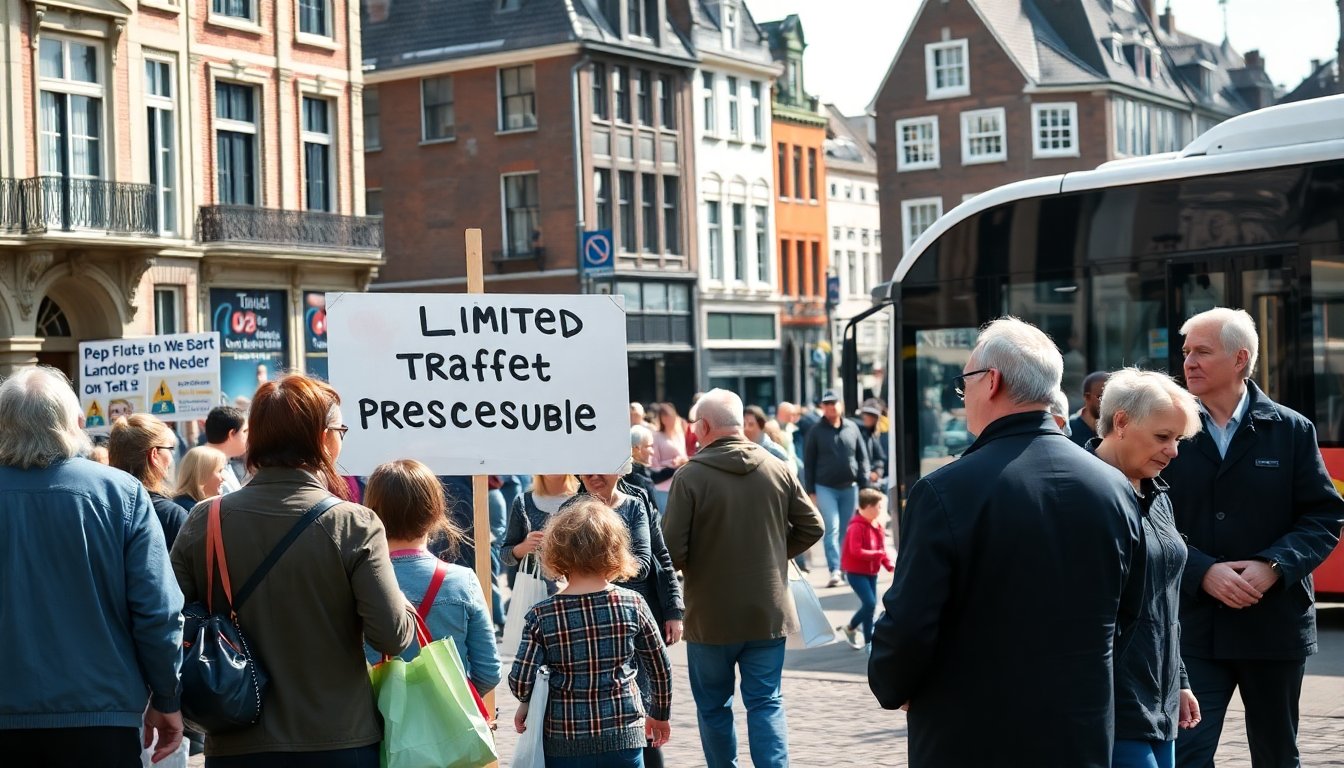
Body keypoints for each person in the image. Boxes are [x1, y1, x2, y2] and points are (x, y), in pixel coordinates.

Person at [868, 317, 1142, 767]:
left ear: (991, 381)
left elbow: (911, 622)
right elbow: (1128, 611)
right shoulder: (1113, 486)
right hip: (1080, 728)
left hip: (971, 731)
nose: (963, 396)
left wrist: (893, 684)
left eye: (965, 383)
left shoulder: (945, 491)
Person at [170, 373, 416, 765]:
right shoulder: (353, 523)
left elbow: (165, 623)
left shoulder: (205, 519)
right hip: (338, 738)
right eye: (341, 431)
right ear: (322, 438)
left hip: (237, 741)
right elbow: (393, 635)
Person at [1165, 308, 1344, 768]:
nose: (1188, 362)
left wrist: (1274, 566)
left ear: (1240, 358)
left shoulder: (1291, 429)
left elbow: (1323, 515)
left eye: (1202, 351)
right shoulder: (1168, 430)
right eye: (1186, 352)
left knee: (1277, 756)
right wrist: (1202, 570)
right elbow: (1147, 519)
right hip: (1193, 628)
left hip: (1274, 627)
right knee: (1187, 754)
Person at [0, 366, 184, 766]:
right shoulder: (121, 493)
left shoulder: (121, 493)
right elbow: (157, 610)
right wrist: (166, 695)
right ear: (75, 423)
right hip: (101, 718)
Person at [663, 388, 824, 768]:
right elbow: (812, 526)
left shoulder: (690, 476)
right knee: (766, 701)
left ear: (704, 426)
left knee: (714, 706)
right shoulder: (776, 466)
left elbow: (671, 550)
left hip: (710, 614)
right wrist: (773, 553)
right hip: (767, 611)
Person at [1088, 368, 1205, 767]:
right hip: (1111, 707)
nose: (1173, 451)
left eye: (1178, 439)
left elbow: (1163, 600)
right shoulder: (1084, 493)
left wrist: (1180, 679)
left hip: (1160, 701)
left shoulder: (1158, 495)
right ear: (1121, 422)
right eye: (1162, 437)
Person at [510, 498, 673, 767]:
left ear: (557, 551)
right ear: (616, 549)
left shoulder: (542, 614)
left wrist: (526, 700)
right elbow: (660, 667)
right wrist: (660, 713)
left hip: (564, 739)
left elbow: (520, 681)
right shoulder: (633, 603)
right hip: (624, 733)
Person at [362, 459, 501, 694]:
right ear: (436, 511)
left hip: (375, 714)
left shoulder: (357, 581)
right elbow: (488, 673)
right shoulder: (462, 581)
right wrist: (452, 702)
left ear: (372, 512)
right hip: (446, 715)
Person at [577, 473, 683, 768]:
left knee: (641, 706)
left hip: (633, 621)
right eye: (587, 469)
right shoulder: (572, 509)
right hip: (585, 622)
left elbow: (652, 561)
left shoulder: (635, 503)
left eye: (602, 468)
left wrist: (673, 610)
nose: (594, 476)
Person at [803, 389, 871, 588]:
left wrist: (865, 484)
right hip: (825, 488)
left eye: (834, 403)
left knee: (846, 530)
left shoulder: (852, 427)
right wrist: (810, 491)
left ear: (841, 405)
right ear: (822, 407)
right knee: (831, 528)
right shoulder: (815, 431)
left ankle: (844, 567)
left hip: (850, 487)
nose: (831, 407)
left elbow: (862, 457)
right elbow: (809, 462)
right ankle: (835, 570)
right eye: (827, 404)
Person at [108, 413, 190, 550]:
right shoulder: (172, 516)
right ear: (154, 455)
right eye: (170, 449)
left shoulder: (99, 507)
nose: (171, 457)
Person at [502, 474, 580, 593]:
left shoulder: (582, 502)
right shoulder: (522, 502)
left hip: (576, 590)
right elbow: (505, 555)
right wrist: (523, 547)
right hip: (535, 592)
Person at [838, 487, 893, 652]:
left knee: (870, 607)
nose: (881, 510)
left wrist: (889, 565)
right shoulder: (856, 526)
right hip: (856, 573)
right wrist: (877, 555)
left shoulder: (877, 525)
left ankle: (869, 641)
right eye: (879, 506)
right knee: (870, 604)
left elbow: (882, 551)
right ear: (868, 506)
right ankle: (851, 628)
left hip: (871, 573)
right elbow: (856, 551)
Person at [650, 402, 689, 510]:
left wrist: (684, 460)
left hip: (681, 484)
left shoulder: (680, 434)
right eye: (665, 416)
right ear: (660, 418)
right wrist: (672, 463)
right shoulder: (656, 436)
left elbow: (684, 455)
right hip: (663, 486)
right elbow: (654, 464)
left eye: (670, 416)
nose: (668, 419)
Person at [204, 405, 249, 493]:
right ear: (231, 433)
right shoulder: (207, 471)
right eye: (244, 431)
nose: (248, 436)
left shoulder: (223, 465)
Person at [627, 424, 673, 510]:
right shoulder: (635, 478)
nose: (652, 452)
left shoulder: (640, 471)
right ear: (636, 449)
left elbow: (655, 476)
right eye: (649, 446)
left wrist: (677, 467)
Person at [173, 445, 230, 510]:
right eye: (219, 471)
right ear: (202, 475)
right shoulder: (188, 510)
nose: (224, 478)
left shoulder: (200, 506)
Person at [1070, 371, 1110, 447]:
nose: (1107, 402)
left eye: (1110, 397)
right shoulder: (1070, 429)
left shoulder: (1116, 431)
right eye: (1101, 397)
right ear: (1087, 397)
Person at [857, 403, 888, 487]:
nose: (867, 417)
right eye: (866, 414)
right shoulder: (855, 431)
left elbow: (879, 457)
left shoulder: (873, 435)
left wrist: (877, 472)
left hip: (869, 479)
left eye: (872, 416)